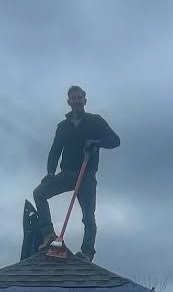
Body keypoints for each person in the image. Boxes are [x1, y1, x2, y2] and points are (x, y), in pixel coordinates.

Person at [32, 86, 120, 261]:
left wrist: (96, 142)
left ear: (85, 101)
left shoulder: (95, 121)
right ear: (69, 102)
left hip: (87, 175)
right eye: (74, 98)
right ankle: (48, 234)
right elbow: (55, 150)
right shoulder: (63, 126)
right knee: (39, 192)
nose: (77, 101)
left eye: (80, 98)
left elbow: (115, 140)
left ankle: (87, 252)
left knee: (88, 216)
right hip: (67, 173)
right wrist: (50, 173)